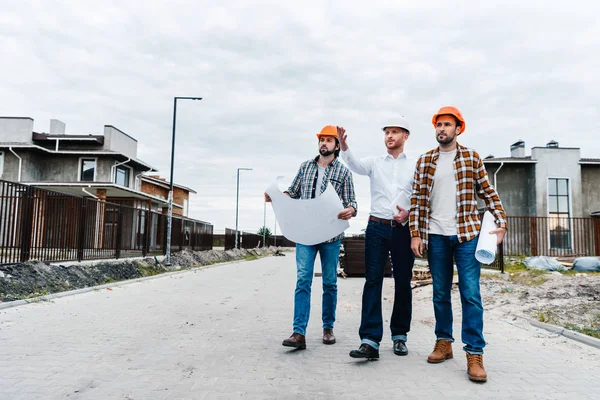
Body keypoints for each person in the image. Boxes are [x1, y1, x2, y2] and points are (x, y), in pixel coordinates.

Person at [409, 106, 508, 382]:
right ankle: (444, 342)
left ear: (458, 128)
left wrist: (500, 222)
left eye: (447, 125)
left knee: (470, 294)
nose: (442, 129)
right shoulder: (425, 160)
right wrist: (415, 233)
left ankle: (475, 353)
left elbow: (489, 193)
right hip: (436, 235)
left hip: (466, 235)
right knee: (440, 292)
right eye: (438, 125)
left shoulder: (471, 158)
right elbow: (416, 200)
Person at [265, 125, 358, 350]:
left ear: (337, 145)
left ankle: (328, 328)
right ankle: (299, 333)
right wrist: (277, 197)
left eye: (328, 140)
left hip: (331, 236)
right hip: (305, 235)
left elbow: (352, 202)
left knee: (329, 283)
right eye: (321, 140)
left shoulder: (343, 172)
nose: (323, 143)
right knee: (303, 280)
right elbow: (292, 192)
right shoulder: (305, 167)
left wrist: (351, 210)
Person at [337, 119, 415, 360]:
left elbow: (421, 195)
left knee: (403, 282)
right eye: (387, 133)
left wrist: (410, 214)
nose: (389, 136)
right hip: (376, 227)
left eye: (394, 132)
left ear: (405, 136)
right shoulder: (374, 163)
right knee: (373, 281)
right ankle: (370, 340)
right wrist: (343, 145)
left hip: (403, 228)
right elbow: (355, 165)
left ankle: (399, 335)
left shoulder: (415, 165)